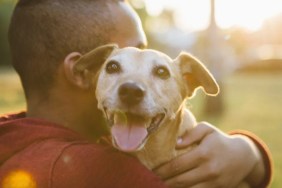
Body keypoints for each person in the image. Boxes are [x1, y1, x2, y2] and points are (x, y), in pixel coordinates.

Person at [0, 0, 272, 187]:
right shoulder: (112, 174)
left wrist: (249, 151)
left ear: (188, 84)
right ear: (85, 71)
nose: (134, 85)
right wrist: (251, 157)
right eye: (117, 64)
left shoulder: (17, 135)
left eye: (160, 72)